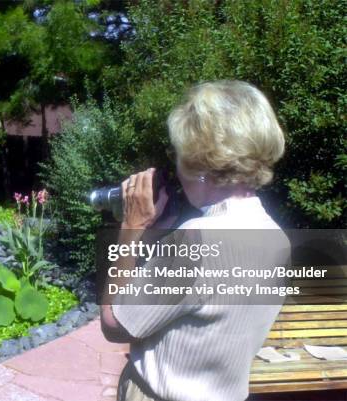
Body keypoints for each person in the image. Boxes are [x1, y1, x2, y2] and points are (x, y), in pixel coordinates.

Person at [100, 80, 290, 401]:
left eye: (180, 153)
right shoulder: (277, 238)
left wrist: (131, 227)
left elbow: (114, 322)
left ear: (199, 163)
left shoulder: (195, 241)